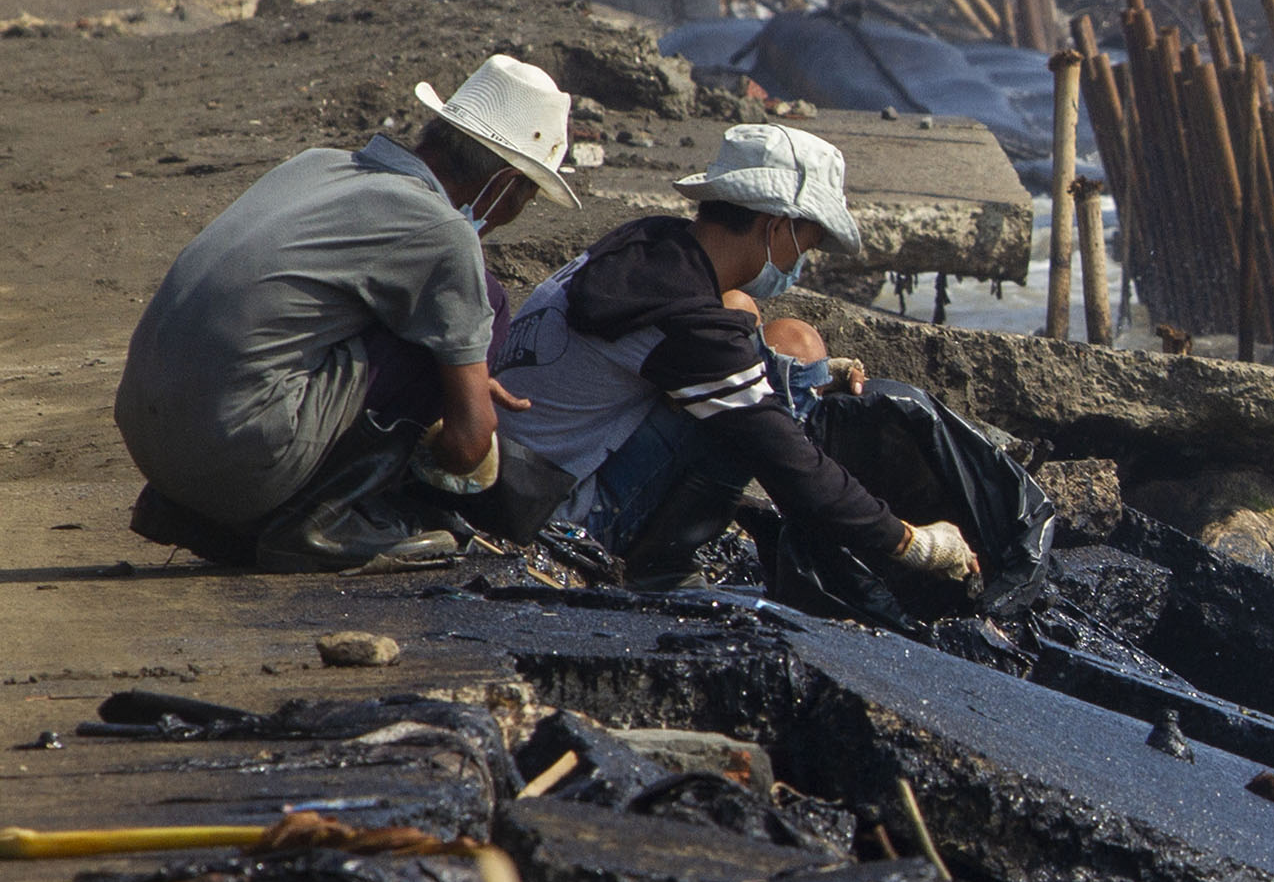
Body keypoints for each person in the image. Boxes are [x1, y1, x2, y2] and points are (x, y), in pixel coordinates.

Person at [116, 53, 578, 571]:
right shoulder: (443, 234)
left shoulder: (317, 163)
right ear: (506, 185)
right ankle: (320, 521)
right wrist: (453, 399)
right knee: (483, 299)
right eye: (529, 195)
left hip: (150, 441)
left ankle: (196, 515)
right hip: (236, 457)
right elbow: (468, 446)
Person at [494, 120, 980, 590]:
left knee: (746, 317)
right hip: (557, 516)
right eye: (804, 246)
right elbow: (789, 464)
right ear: (775, 228)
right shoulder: (684, 321)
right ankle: (657, 567)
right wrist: (912, 542)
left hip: (514, 474)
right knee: (750, 425)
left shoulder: (651, 242)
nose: (798, 265)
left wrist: (791, 373)